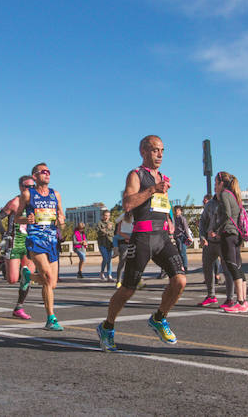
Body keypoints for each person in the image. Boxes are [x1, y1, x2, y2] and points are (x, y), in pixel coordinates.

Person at [97, 135, 186, 352]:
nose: (160, 155)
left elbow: (162, 206)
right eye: (155, 150)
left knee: (180, 281)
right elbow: (128, 204)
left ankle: (158, 318)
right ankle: (107, 327)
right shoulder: (136, 175)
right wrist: (153, 189)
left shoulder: (163, 178)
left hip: (163, 238)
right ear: (143, 151)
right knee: (128, 290)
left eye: (163, 150)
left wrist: (170, 222)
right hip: (143, 238)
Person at [15, 163, 66, 331]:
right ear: (35, 177)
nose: (47, 174)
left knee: (52, 283)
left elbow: (61, 216)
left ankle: (28, 277)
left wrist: (61, 220)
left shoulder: (55, 194)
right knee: (48, 277)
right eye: (43, 172)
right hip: (35, 239)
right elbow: (16, 218)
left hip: (52, 240)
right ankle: (51, 318)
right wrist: (26, 220)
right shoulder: (28, 194)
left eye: (49, 171)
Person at [0, 175, 38, 320]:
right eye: (27, 186)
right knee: (12, 279)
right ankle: (1, 263)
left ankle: (19, 306)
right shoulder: (14, 202)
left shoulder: (36, 203)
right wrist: (4, 234)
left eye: (33, 187)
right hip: (14, 242)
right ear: (20, 187)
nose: (30, 189)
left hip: (29, 242)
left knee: (27, 276)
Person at [208, 171, 248, 313]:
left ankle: (240, 302)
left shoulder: (225, 194)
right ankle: (244, 301)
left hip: (228, 234)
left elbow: (227, 214)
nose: (214, 186)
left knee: (232, 266)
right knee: (238, 266)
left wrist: (218, 230)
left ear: (221, 183)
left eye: (215, 183)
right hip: (236, 235)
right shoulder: (234, 195)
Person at [112, 211, 133, 288]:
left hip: (129, 238)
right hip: (125, 239)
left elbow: (117, 221)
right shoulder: (124, 215)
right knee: (123, 261)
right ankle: (119, 281)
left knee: (127, 262)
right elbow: (118, 226)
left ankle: (122, 281)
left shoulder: (124, 215)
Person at [95, 210, 115, 281]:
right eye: (105, 215)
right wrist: (107, 229)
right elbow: (99, 232)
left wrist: (105, 231)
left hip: (110, 243)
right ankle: (102, 272)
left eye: (108, 215)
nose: (107, 217)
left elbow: (113, 233)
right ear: (102, 216)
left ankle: (109, 275)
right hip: (102, 244)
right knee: (106, 258)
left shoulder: (111, 224)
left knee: (109, 260)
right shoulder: (99, 223)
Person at [172, 206, 191, 272]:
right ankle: (181, 266)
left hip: (182, 236)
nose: (177, 212)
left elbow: (186, 228)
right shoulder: (175, 219)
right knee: (179, 252)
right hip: (177, 237)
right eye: (176, 210)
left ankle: (185, 267)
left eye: (178, 210)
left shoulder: (182, 218)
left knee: (183, 252)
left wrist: (188, 237)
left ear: (181, 211)